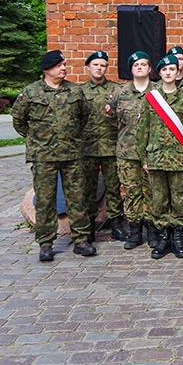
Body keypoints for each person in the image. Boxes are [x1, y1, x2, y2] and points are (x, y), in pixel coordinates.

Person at [12, 50, 93, 261]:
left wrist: (70, 137)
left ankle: (81, 239)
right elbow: (19, 121)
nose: (64, 68)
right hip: (43, 156)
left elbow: (83, 117)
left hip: (72, 154)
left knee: (77, 197)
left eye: (64, 64)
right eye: (59, 65)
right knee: (46, 200)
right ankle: (46, 243)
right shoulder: (31, 93)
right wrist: (37, 139)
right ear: (47, 69)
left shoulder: (75, 92)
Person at [136, 54, 183, 259]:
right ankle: (163, 238)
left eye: (172, 69)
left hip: (179, 157)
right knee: (159, 200)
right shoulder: (151, 99)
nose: (169, 73)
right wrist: (144, 159)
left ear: (178, 72)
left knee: (179, 200)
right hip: (156, 158)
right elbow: (142, 131)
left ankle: (178, 238)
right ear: (159, 73)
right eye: (165, 70)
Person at [80, 51, 126, 243]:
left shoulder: (116, 90)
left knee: (114, 187)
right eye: (96, 65)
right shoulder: (80, 91)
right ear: (88, 67)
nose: (99, 68)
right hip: (88, 147)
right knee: (88, 188)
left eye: (103, 65)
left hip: (110, 145)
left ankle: (115, 224)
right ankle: (89, 226)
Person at [112, 51, 155, 250]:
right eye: (136, 64)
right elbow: (111, 121)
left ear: (149, 69)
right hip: (127, 153)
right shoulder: (120, 93)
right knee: (131, 192)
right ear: (131, 69)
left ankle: (153, 232)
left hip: (151, 152)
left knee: (151, 192)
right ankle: (135, 232)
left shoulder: (157, 92)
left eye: (143, 64)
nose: (139, 67)